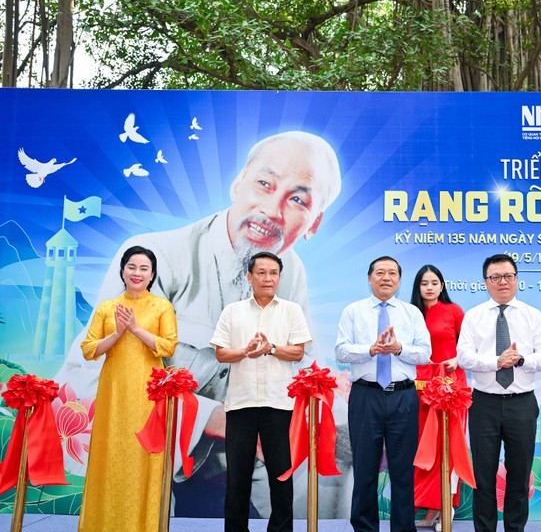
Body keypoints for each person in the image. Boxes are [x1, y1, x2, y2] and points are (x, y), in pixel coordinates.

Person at [56, 131, 342, 515]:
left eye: (296, 199)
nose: (273, 209)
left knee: (336, 459)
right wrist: (212, 417)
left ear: (314, 223)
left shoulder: (291, 272)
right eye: (264, 183)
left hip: (238, 456)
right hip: (157, 444)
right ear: (238, 183)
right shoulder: (155, 257)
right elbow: (99, 376)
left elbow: (301, 365)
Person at [78, 246, 178, 531]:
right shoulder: (107, 308)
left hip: (148, 392)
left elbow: (168, 345)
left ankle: (143, 524)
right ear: (122, 271)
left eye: (144, 268)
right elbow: (88, 350)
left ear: (152, 275)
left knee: (143, 454)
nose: (137, 273)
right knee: (109, 452)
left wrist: (135, 328)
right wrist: (118, 333)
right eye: (131, 267)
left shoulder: (161, 307)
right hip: (114, 390)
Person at [210, 251, 311, 532]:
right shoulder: (233, 311)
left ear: (279, 277)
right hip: (241, 404)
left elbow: (299, 351)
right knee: (238, 475)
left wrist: (271, 349)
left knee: (281, 474)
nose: (268, 278)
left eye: (273, 273)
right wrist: (245, 351)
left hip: (278, 404)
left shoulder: (291, 310)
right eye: (261, 272)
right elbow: (220, 353)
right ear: (249, 276)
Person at [457, 253, 541, 532]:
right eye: (495, 277)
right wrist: (495, 362)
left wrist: (521, 360)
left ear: (517, 279)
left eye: (508, 276)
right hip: (484, 403)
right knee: (483, 475)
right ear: (485, 282)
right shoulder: (473, 316)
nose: (502, 282)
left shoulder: (533, 315)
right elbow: (463, 357)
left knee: (519, 474)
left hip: (521, 403)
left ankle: (515, 529)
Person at [335, 256, 431, 532]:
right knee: (364, 467)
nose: (386, 277)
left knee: (402, 470)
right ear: (369, 278)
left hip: (403, 396)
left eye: (392, 273)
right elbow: (341, 351)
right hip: (366, 396)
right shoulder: (353, 311)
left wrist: (399, 349)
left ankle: (403, 528)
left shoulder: (412, 313)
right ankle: (365, 528)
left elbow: (425, 354)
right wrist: (371, 349)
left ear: (399, 281)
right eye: (380, 272)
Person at [410, 265, 466, 529]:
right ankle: (430, 510)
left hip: (450, 389)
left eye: (434, 282)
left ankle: (447, 507)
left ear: (442, 286)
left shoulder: (454, 311)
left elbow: (468, 346)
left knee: (448, 448)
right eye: (424, 283)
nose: (429, 287)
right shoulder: (410, 314)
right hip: (418, 391)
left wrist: (456, 360)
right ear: (417, 287)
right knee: (424, 451)